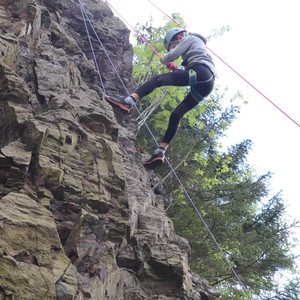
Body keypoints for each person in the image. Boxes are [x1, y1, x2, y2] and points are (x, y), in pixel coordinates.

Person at [105, 28, 216, 170]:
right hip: (206, 83)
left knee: (158, 79)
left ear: (180, 37)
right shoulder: (199, 47)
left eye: (173, 45)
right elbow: (187, 71)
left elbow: (172, 55)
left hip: (200, 72)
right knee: (176, 115)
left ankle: (128, 102)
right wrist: (176, 70)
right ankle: (160, 152)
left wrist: (165, 59)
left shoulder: (190, 38)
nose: (175, 48)